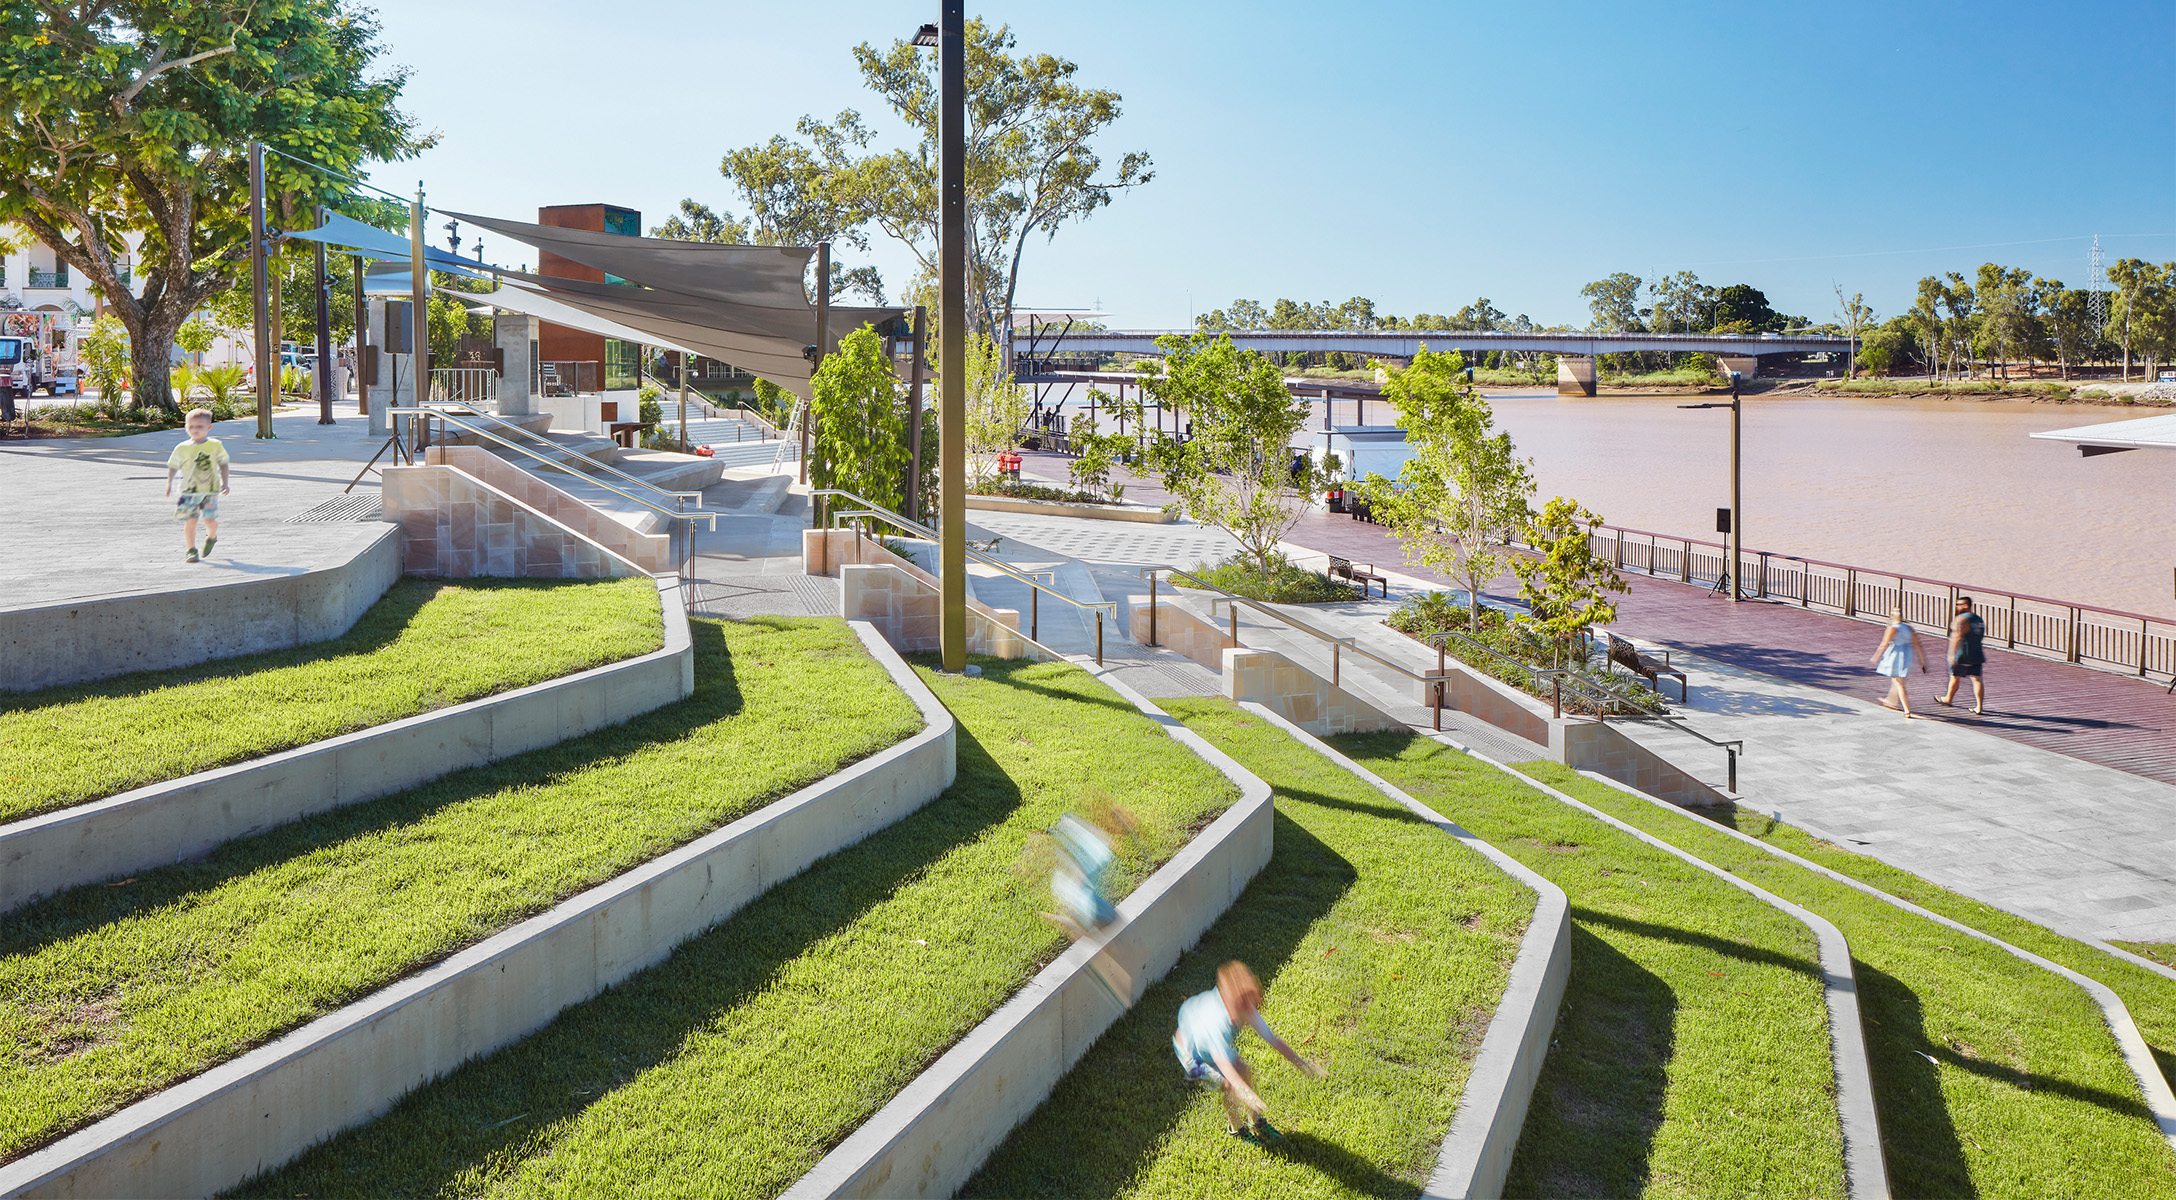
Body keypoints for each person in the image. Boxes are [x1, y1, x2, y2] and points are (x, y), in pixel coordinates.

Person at [1173, 961, 1324, 1142]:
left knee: (1244, 1071)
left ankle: (1256, 1121)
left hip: (1206, 1036)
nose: (1251, 1013)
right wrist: (1248, 1095)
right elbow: (1227, 1069)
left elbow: (1274, 1041)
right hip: (1193, 1055)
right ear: (1232, 1005)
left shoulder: (1244, 1005)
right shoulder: (1216, 1024)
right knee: (1227, 1084)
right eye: (1247, 1008)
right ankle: (1237, 1129)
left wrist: (1304, 1065)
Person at [165, 408, 230, 562]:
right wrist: (169, 483)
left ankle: (212, 537)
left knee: (209, 520)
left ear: (209, 428)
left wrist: (225, 483)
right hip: (187, 491)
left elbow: (224, 464)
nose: (195, 430)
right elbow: (173, 466)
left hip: (210, 491)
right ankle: (191, 550)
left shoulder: (215, 445)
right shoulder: (182, 448)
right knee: (191, 521)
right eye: (191, 426)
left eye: (199, 426)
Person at [1869, 605, 1927, 717]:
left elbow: (1884, 644)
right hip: (1907, 655)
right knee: (1896, 680)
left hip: (1896, 656)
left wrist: (1876, 656)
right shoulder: (1909, 628)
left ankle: (1907, 710)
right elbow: (1917, 645)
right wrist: (1922, 661)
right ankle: (1891, 701)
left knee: (1899, 683)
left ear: (1892, 616)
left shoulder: (1892, 629)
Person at [1940, 595, 1988, 714]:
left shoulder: (1961, 619)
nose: (1956, 607)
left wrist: (1952, 655)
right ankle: (1979, 707)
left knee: (1955, 677)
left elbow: (1956, 637)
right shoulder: (1978, 619)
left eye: (1959, 604)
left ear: (1965, 605)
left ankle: (1948, 699)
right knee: (1977, 679)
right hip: (1976, 653)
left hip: (1963, 654)